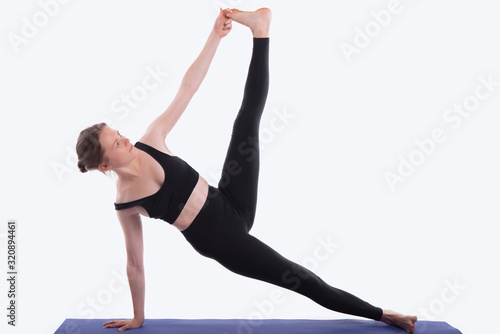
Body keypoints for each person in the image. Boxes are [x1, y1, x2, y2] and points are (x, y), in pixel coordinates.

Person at [76, 8, 417, 333]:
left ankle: (260, 30)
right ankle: (385, 315)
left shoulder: (151, 139)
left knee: (246, 122)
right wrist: (138, 317)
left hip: (230, 198)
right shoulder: (125, 203)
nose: (125, 139)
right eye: (117, 143)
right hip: (224, 242)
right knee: (299, 277)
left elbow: (188, 87)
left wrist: (215, 37)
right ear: (105, 165)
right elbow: (135, 264)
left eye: (119, 133)